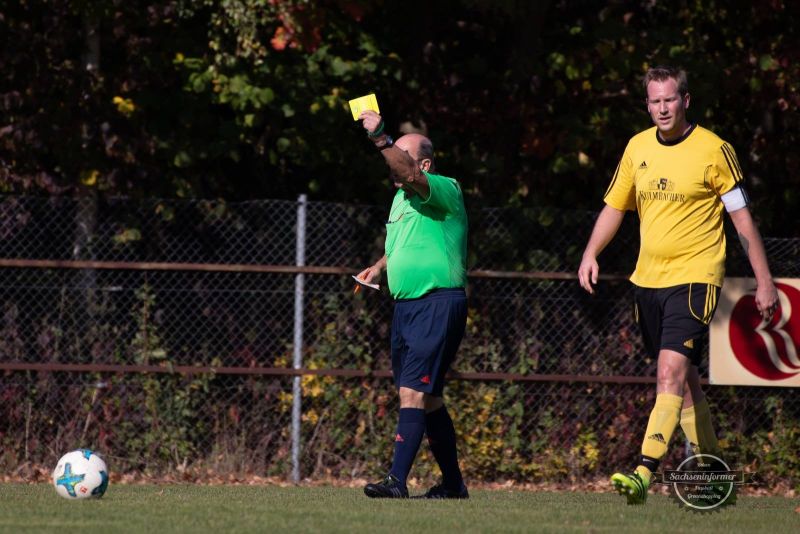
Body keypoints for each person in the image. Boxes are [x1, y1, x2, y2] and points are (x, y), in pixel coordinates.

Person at [577, 66, 778, 505]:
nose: (662, 108)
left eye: (669, 99)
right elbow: (615, 207)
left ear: (685, 100)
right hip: (647, 280)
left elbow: (742, 221)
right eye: (654, 101)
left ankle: (644, 471)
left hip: (697, 276)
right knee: (684, 381)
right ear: (647, 105)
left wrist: (765, 280)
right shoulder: (637, 147)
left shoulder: (714, 150)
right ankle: (713, 472)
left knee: (667, 373)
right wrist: (591, 252)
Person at [355, 109, 469, 499]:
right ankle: (453, 485)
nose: (393, 163)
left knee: (412, 393)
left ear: (422, 164)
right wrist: (379, 266)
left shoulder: (445, 188)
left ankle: (396, 481)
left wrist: (382, 139)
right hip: (407, 307)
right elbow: (406, 246)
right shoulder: (401, 200)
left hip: (436, 302)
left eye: (402, 156)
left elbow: (408, 174)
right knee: (429, 399)